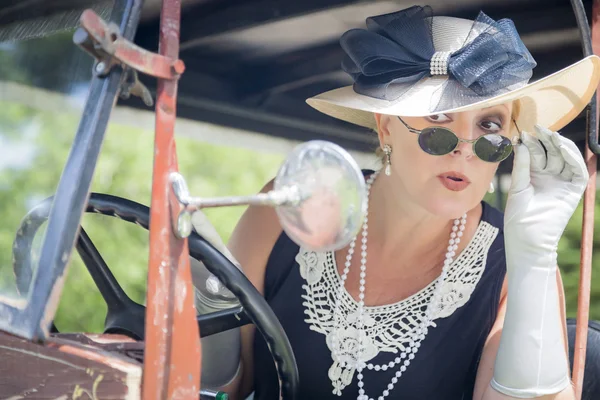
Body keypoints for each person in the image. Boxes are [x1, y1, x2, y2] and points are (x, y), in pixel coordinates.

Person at [192, 5, 600, 400]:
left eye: (489, 126)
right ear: (386, 127)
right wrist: (204, 288)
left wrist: (535, 256)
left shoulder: (514, 266)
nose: (466, 150)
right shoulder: (289, 202)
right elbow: (216, 388)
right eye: (439, 121)